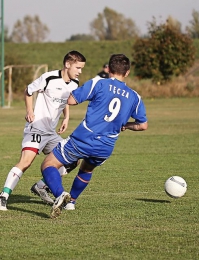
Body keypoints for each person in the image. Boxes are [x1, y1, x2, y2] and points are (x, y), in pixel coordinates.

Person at [40, 53, 148, 218]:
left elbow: (71, 100)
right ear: (127, 73)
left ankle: (60, 194)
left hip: (84, 138)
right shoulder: (135, 97)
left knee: (48, 164)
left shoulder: (98, 83)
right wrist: (126, 125)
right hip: (106, 146)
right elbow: (143, 125)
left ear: (109, 69)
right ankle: (72, 203)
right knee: (87, 169)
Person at [0, 50, 86, 211]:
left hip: (51, 132)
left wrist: (66, 117)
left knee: (73, 159)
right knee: (26, 162)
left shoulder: (74, 84)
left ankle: (40, 186)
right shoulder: (49, 77)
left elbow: (66, 99)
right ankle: (3, 196)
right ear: (68, 64)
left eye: (81, 68)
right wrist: (29, 111)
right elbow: (28, 90)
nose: (80, 71)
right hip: (37, 128)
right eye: (78, 67)